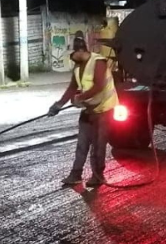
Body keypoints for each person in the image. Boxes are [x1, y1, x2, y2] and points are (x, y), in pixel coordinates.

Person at [48, 31, 117, 188]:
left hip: (104, 110)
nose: (71, 57)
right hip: (88, 109)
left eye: (73, 53)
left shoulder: (98, 61)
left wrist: (81, 98)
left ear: (81, 51)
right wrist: (58, 105)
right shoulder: (78, 67)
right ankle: (75, 174)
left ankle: (98, 175)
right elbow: (73, 87)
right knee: (82, 143)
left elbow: (99, 86)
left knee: (99, 145)